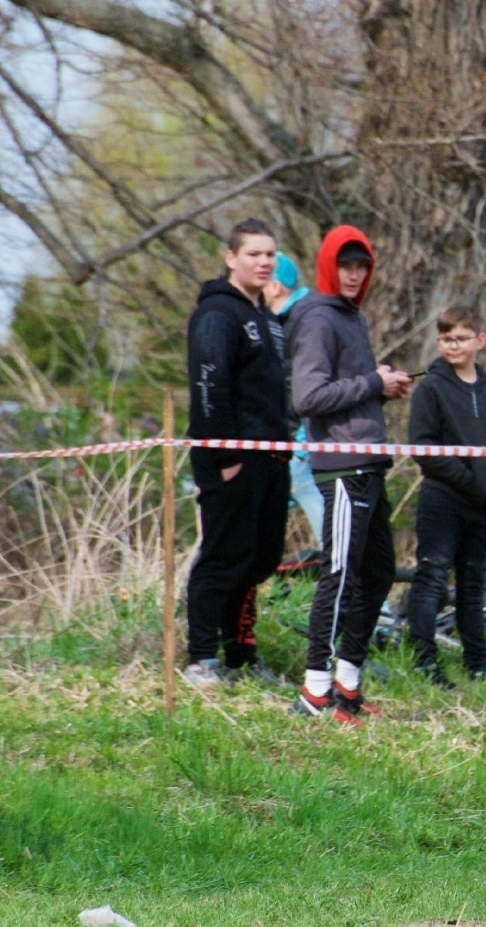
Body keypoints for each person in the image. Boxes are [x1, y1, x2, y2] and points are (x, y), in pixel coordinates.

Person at [287, 225, 412, 726]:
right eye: (346, 266)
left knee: (378, 572)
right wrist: (371, 382)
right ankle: (314, 692)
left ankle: (348, 685)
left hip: (369, 461)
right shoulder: (319, 318)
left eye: (362, 267)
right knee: (338, 576)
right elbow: (308, 398)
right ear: (328, 267)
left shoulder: (350, 317)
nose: (355, 275)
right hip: (340, 466)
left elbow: (346, 388)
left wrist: (380, 388)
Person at [182, 218, 292, 686]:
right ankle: (201, 658)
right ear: (231, 258)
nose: (264, 262)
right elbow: (210, 387)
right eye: (254, 254)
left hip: (271, 457)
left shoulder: (267, 317)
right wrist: (225, 457)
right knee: (223, 556)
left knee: (260, 558)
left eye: (270, 254)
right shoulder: (217, 315)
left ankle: (241, 655)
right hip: (230, 458)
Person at [406, 305, 486, 687]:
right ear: (439, 342)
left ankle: (478, 662)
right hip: (442, 500)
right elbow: (423, 447)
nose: (454, 345)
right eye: (447, 339)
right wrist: (468, 481)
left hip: (485, 504)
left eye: (462, 338)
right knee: (432, 576)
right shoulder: (431, 389)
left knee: (473, 584)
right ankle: (424, 661)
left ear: (479, 341)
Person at [263, 252, 323, 553]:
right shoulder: (279, 322)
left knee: (334, 542)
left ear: (275, 288)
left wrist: (300, 448)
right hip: (287, 448)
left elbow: (307, 389)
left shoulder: (299, 322)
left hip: (302, 451)